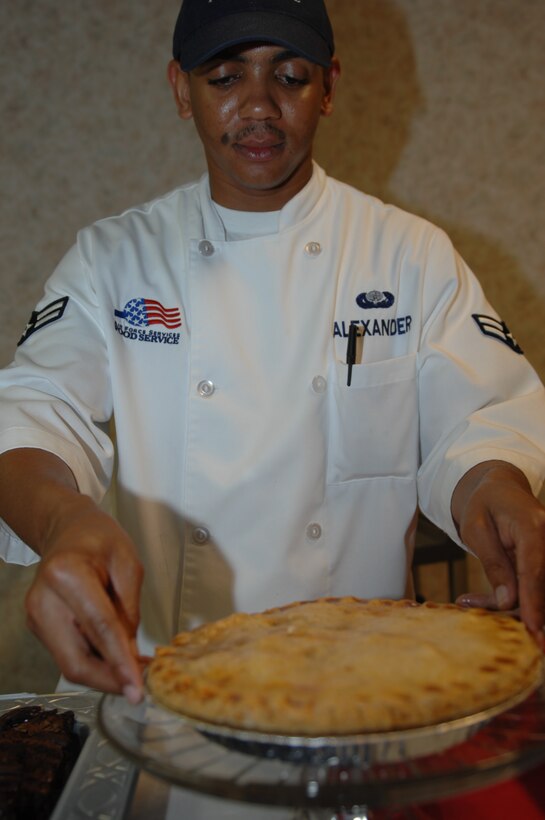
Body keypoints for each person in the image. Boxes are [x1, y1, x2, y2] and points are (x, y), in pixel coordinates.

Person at [1, 0, 545, 708]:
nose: (257, 106)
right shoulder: (115, 259)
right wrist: (63, 521)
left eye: (288, 77)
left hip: (371, 687)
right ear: (179, 89)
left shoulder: (407, 255)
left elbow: (480, 421)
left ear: (329, 88)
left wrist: (494, 490)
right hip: (161, 683)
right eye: (224, 77)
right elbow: (33, 415)